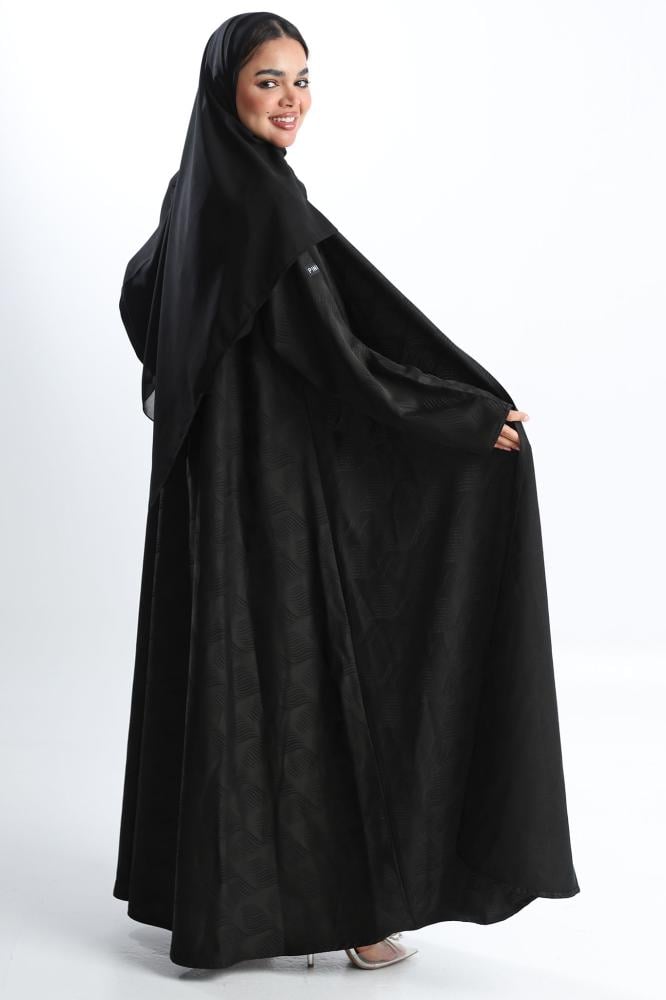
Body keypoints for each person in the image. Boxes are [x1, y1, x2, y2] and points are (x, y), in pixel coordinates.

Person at [113, 11, 580, 973]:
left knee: (238, 681)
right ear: (225, 91)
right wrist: (460, 419)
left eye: (302, 79)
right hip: (271, 500)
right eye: (267, 81)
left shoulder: (198, 192)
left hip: (213, 497)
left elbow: (141, 291)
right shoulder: (268, 208)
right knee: (316, 684)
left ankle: (225, 914)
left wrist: (218, 391)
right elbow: (340, 357)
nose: (291, 101)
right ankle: (360, 917)